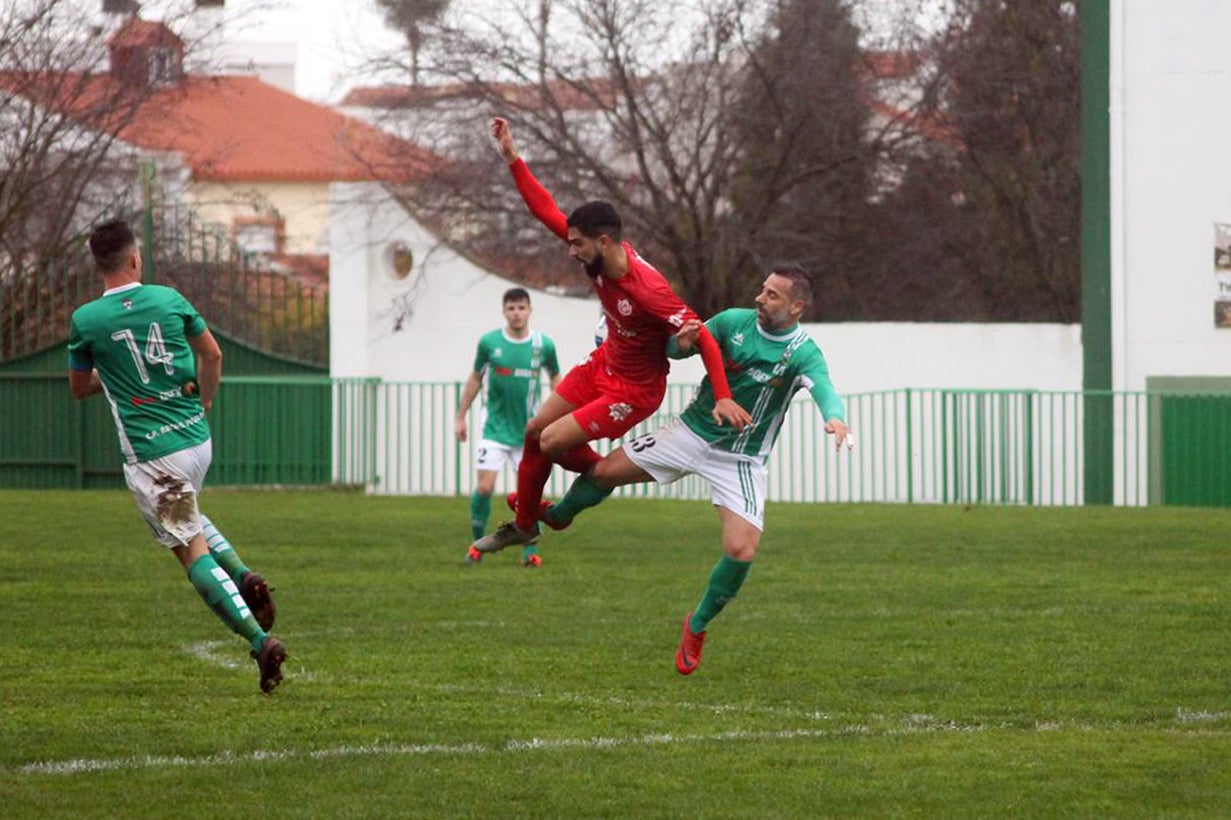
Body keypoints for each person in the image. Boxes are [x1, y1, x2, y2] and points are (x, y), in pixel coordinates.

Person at [503, 265, 853, 676]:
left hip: (741, 458)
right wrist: (680, 343)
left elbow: (823, 387)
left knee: (741, 551)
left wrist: (835, 418)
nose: (760, 298)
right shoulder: (733, 322)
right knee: (603, 473)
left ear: (796, 307)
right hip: (689, 432)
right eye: (762, 289)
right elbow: (674, 350)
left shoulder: (803, 353)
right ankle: (559, 516)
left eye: (773, 295)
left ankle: (697, 624)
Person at [467, 117, 753, 561]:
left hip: (634, 390)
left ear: (603, 241)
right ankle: (526, 525)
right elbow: (545, 210)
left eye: (578, 244)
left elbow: (704, 337)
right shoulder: (598, 261)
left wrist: (722, 395)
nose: (571, 250)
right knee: (534, 432)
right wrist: (512, 158)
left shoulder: (648, 289)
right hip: (602, 365)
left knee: (551, 442)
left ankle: (599, 480)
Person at [67, 219, 286, 694]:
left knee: (189, 552)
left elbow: (79, 388)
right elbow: (214, 357)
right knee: (190, 515)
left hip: (152, 457)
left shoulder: (87, 321)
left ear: (97, 265)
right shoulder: (170, 299)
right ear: (135, 259)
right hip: (195, 439)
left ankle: (259, 641)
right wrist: (204, 402)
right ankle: (245, 575)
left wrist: (111, 374)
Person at [455, 287, 561, 566]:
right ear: (504, 311)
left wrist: (560, 415)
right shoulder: (489, 343)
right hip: (495, 429)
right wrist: (460, 416)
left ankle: (530, 552)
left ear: (529, 310)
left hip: (528, 433)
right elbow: (475, 378)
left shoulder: (543, 345)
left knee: (527, 496)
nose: (516, 313)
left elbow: (556, 379)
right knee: (485, 487)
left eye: (521, 307)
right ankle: (477, 546)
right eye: (511, 308)